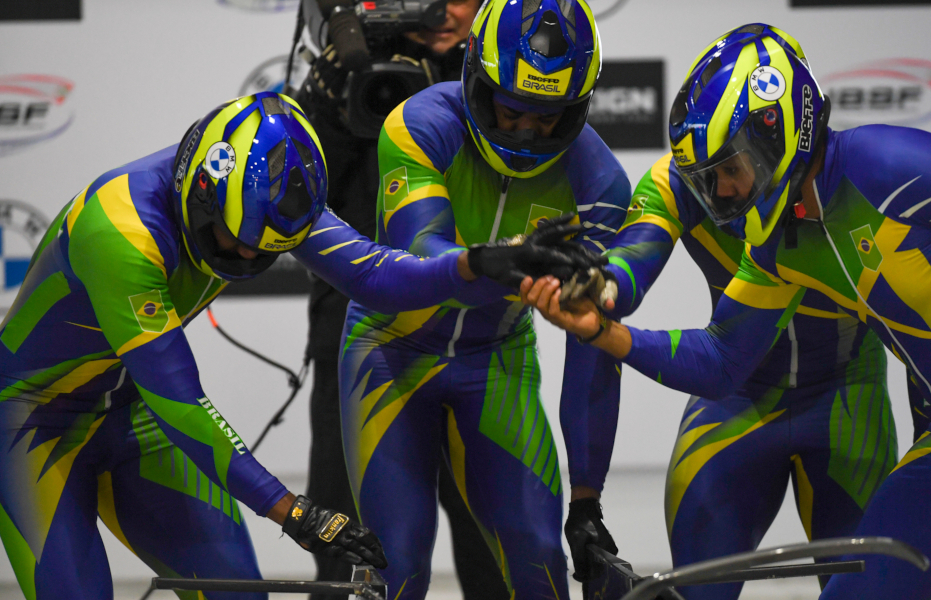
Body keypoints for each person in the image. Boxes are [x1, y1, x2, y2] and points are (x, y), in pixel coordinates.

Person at [0, 90, 593, 600]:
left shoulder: (267, 197)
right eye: (234, 243)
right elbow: (181, 401)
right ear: (199, 194)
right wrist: (293, 511)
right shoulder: (122, 234)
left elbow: (376, 276)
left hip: (130, 411)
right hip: (33, 423)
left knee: (236, 589)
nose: (249, 257)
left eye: (268, 251)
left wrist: (481, 262)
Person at [522, 23, 931, 599]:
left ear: (775, 133)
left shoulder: (887, 163)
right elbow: (722, 359)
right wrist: (602, 328)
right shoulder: (778, 239)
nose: (723, 194)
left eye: (731, 169)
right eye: (709, 179)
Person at [336, 0, 630, 597]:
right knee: (398, 562)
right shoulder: (417, 122)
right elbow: (420, 255)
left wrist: (588, 500)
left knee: (542, 558)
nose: (526, 131)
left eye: (550, 116)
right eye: (512, 107)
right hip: (390, 348)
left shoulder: (602, 184)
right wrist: (503, 256)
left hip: (496, 357)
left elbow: (593, 343)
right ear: (475, 77)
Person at [289, 1, 504, 597]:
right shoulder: (351, 71)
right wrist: (325, 106)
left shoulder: (499, 78)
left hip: (474, 337)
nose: (445, 12)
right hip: (354, 334)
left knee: (496, 544)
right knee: (348, 542)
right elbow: (296, 201)